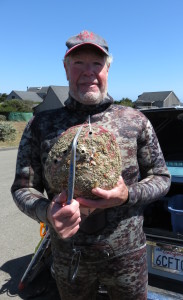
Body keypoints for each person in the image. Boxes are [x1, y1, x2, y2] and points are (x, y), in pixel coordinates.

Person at [11, 30, 171, 300]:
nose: (88, 72)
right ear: (65, 69)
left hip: (127, 257)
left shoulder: (135, 120)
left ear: (107, 69)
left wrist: (127, 195)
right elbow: (22, 189)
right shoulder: (41, 125)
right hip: (69, 257)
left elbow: (161, 177)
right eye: (78, 63)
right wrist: (46, 212)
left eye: (96, 64)